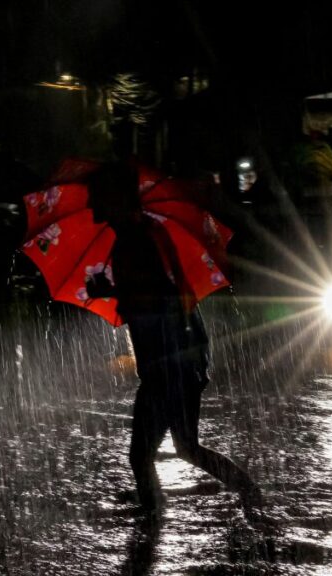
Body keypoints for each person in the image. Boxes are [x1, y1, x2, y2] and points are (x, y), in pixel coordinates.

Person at [86, 159, 261, 514]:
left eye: (96, 196)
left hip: (169, 363)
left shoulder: (136, 239)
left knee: (141, 456)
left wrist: (113, 292)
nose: (91, 203)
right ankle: (249, 493)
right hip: (183, 356)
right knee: (186, 446)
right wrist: (115, 291)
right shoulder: (144, 232)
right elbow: (160, 293)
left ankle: (151, 521)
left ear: (116, 198)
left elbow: (158, 298)